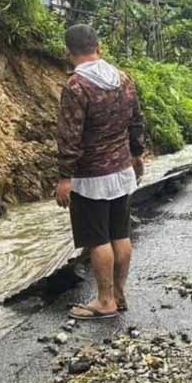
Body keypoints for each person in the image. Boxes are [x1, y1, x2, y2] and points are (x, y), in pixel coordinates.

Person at [56, 24, 145, 320]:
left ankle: (105, 301)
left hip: (90, 178)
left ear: (69, 53)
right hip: (121, 170)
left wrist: (64, 177)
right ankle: (119, 294)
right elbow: (136, 120)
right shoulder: (123, 79)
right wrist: (136, 154)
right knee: (120, 233)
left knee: (98, 239)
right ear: (99, 48)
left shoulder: (76, 87)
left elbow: (70, 136)